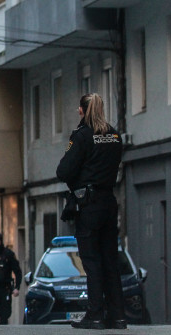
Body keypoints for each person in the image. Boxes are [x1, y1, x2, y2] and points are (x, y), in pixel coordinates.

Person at [56, 93, 125, 330]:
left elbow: (64, 171)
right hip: (109, 201)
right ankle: (117, 316)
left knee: (92, 260)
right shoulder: (115, 135)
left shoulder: (82, 136)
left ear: (81, 111)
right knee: (109, 260)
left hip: (88, 204)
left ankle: (94, 315)